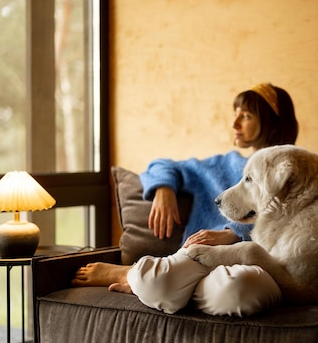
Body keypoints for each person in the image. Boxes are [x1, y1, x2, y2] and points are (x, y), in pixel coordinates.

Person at [72, 83, 299, 316]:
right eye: (235, 114)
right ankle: (134, 276)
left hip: (251, 265)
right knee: (170, 279)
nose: (234, 124)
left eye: (246, 116)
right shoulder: (224, 164)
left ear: (271, 123)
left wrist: (233, 232)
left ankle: (147, 283)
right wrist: (164, 189)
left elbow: (286, 217)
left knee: (240, 291)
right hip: (199, 258)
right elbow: (161, 164)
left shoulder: (291, 171)